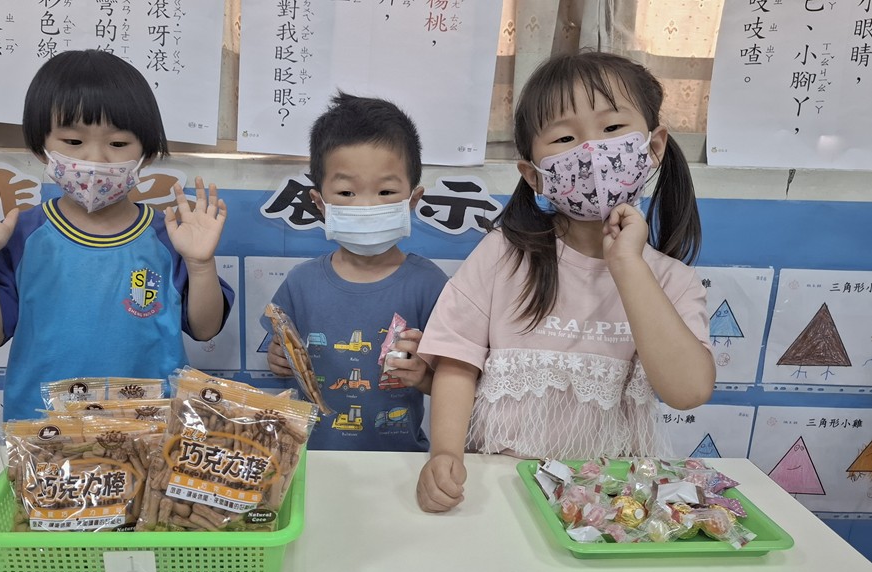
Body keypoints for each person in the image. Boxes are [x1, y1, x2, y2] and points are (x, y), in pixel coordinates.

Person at [415, 51, 715, 512]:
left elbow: (688, 390)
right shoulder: (502, 255)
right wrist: (446, 454)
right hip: (499, 488)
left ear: (654, 147)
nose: (591, 150)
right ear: (533, 175)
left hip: (610, 501)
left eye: (612, 128)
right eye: (565, 137)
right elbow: (457, 361)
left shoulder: (672, 280)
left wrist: (628, 265)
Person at [0, 49, 234, 421]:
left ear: (146, 152)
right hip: (44, 435)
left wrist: (201, 264)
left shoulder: (170, 237)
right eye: (73, 142)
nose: (95, 159)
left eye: (118, 144)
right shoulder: (20, 236)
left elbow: (205, 329)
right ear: (42, 148)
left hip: (149, 432)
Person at [265, 92, 449, 451]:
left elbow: (452, 379)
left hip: (400, 461)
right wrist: (277, 360)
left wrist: (424, 376)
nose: (365, 206)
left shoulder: (430, 284)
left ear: (412, 201)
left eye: (386, 191)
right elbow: (278, 351)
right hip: (313, 458)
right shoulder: (300, 283)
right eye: (347, 192)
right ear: (320, 203)